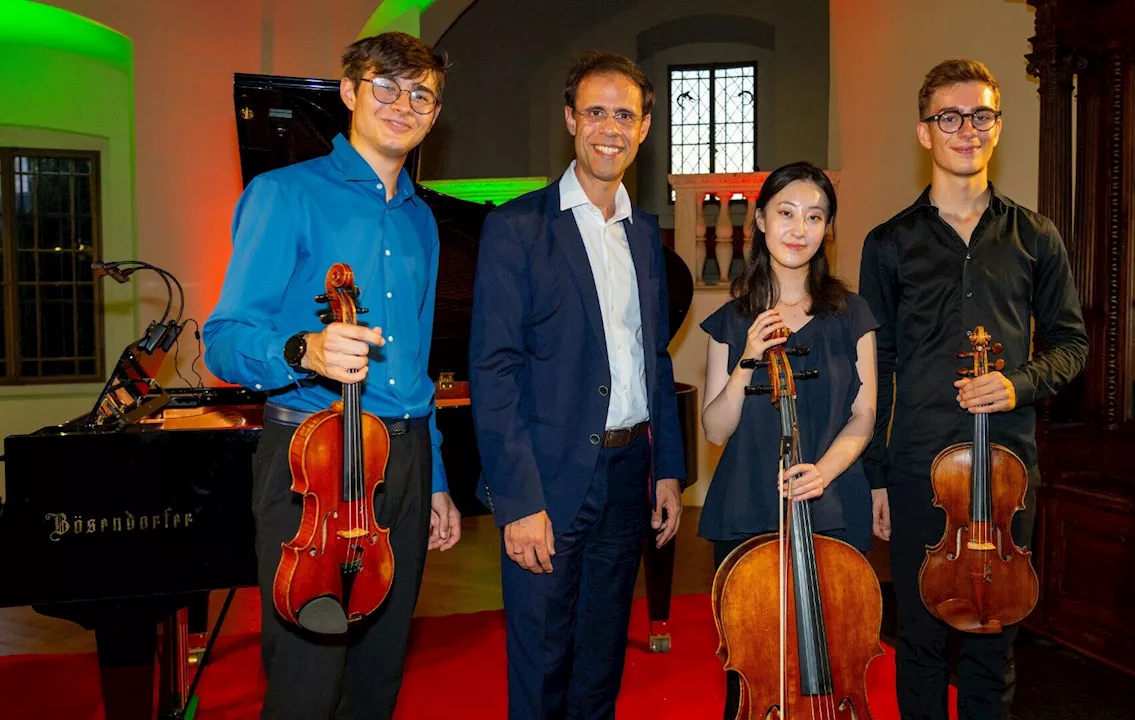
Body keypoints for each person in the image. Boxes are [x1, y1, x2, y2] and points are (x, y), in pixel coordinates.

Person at [204, 32, 462, 720]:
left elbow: (417, 366)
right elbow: (222, 342)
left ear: (435, 113)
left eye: (421, 94)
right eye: (385, 86)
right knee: (307, 682)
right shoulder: (283, 195)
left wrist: (433, 474)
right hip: (311, 462)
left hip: (401, 458)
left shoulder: (422, 222)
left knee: (378, 677)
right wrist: (303, 350)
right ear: (348, 93)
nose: (403, 104)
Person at [859, 59, 1089, 719]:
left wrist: (1017, 384)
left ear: (997, 126)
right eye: (951, 117)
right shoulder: (888, 244)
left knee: (996, 641)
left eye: (981, 115)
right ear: (925, 132)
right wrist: (876, 475)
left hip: (1007, 471)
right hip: (917, 470)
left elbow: (1072, 344)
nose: (967, 130)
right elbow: (879, 365)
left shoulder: (1036, 236)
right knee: (921, 639)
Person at [469, 50, 687, 719]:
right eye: (595, 111)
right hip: (549, 479)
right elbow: (493, 369)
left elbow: (654, 359)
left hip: (628, 475)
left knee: (600, 661)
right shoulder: (516, 228)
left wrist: (668, 470)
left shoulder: (646, 234)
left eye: (625, 114)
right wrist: (519, 500)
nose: (609, 127)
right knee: (542, 662)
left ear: (646, 127)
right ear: (570, 119)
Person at [698, 161, 881, 719]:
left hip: (831, 504)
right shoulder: (730, 321)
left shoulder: (852, 314)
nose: (799, 227)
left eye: (815, 216)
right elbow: (714, 427)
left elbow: (864, 413)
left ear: (827, 229)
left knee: (836, 655)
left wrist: (825, 470)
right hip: (746, 507)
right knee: (751, 671)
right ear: (759, 219)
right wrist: (748, 359)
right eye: (785, 212)